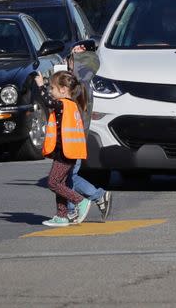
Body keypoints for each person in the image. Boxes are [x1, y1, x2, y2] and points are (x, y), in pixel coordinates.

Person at [36, 71, 92, 227]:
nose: (51, 92)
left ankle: (80, 201)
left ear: (63, 90)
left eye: (52, 88)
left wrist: (41, 86)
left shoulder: (62, 104)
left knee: (53, 182)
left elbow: (47, 101)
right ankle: (62, 215)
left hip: (65, 153)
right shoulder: (72, 105)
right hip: (68, 152)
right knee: (60, 183)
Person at [65, 42, 112, 220]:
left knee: (67, 175)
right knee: (68, 175)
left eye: (72, 59)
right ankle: (74, 207)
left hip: (73, 140)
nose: (68, 62)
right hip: (73, 139)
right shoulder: (81, 83)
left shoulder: (80, 87)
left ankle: (91, 198)